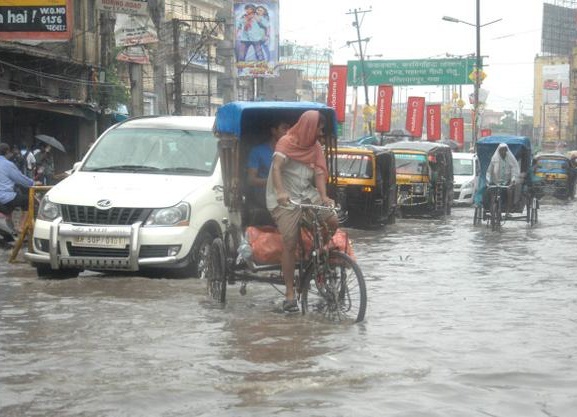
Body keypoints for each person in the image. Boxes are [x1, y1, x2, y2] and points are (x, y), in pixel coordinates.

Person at [266, 110, 338, 313]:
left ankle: (317, 254)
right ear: (309, 127)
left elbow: (319, 173)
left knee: (332, 220)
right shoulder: (285, 143)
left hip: (307, 194)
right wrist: (280, 191)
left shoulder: (315, 147)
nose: (321, 133)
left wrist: (324, 197)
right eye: (319, 128)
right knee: (289, 240)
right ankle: (290, 293)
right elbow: (277, 168)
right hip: (284, 198)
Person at [246, 118, 291, 209]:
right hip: (265, 195)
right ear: (274, 131)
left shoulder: (292, 152)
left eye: (289, 129)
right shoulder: (258, 151)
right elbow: (251, 180)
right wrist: (275, 182)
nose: (288, 133)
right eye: (284, 129)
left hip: (289, 192)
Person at [0, 143, 41, 235]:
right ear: (7, 152)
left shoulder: (16, 159)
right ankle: (21, 227)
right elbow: (20, 178)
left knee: (13, 201)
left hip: (6, 197)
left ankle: (10, 228)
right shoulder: (8, 164)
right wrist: (33, 183)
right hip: (5, 196)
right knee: (29, 201)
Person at [486, 143, 520, 214]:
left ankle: (508, 209)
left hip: (507, 181)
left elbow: (514, 170)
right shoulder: (494, 159)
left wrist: (513, 180)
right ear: (499, 151)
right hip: (495, 181)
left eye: (504, 150)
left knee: (509, 191)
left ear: (507, 151)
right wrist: (488, 180)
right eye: (501, 150)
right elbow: (489, 171)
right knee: (490, 192)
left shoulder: (510, 159)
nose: (503, 152)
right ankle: (491, 207)